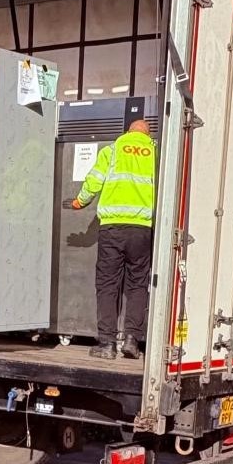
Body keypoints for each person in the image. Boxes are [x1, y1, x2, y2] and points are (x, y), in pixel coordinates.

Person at [67, 119, 155, 360]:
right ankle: (131, 340)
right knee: (137, 284)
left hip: (112, 228)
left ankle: (107, 344)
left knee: (108, 284)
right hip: (142, 229)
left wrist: (79, 202)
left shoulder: (113, 150)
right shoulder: (155, 155)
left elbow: (94, 181)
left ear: (127, 132)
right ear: (148, 135)